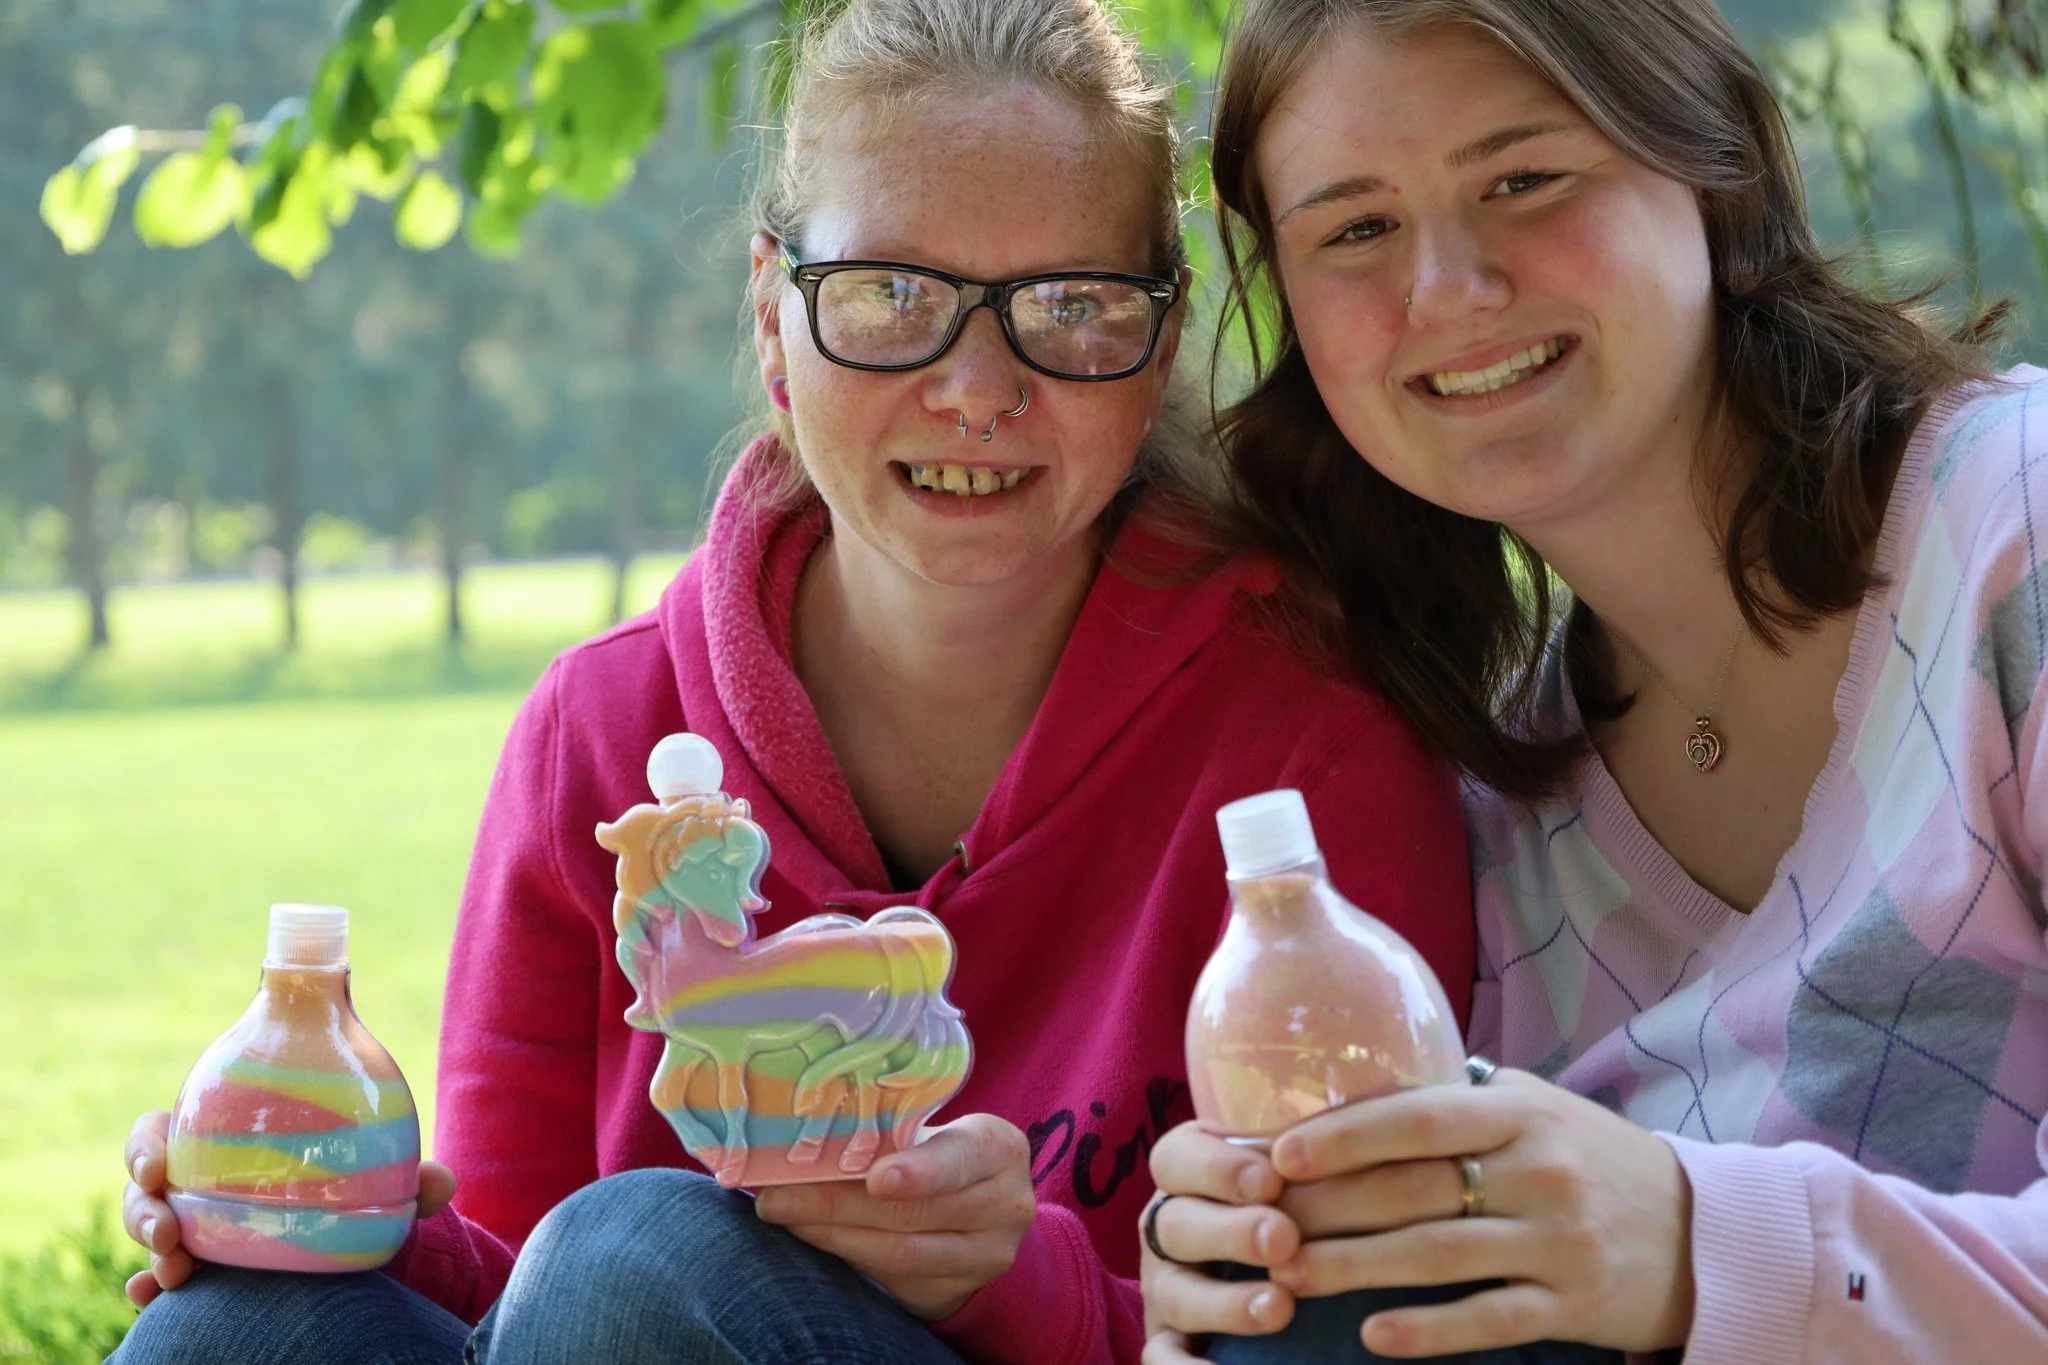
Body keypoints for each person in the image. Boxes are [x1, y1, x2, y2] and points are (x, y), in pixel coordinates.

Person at [108, 3, 1475, 1363]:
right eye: (890, 295)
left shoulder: (1311, 748)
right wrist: (326, 1211)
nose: (980, 389)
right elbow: (517, 1293)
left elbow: (1356, 1330)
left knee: (641, 1256)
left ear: (1157, 342)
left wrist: (1023, 1279)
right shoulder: (601, 741)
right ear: (773, 315)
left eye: (1069, 305)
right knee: (237, 1332)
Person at [1140, 1, 2048, 1362]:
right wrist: (1223, 1301)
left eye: (1524, 180)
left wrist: (1701, 1246)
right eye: (1356, 230)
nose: (1448, 291)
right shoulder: (1493, 824)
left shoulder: (2013, 534)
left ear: (1713, 172)